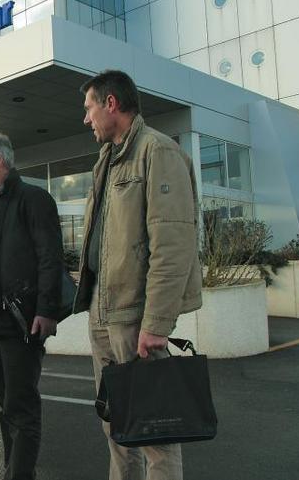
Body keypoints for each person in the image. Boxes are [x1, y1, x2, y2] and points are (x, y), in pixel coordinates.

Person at [74, 70, 202, 480]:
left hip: (135, 315)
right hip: (102, 309)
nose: (86, 118)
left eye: (89, 107)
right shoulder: (107, 160)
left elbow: (173, 243)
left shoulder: (157, 152)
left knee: (154, 430)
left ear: (111, 103)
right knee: (115, 423)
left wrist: (157, 324)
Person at [0, 132, 65, 480]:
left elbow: (50, 258)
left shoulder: (33, 199)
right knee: (6, 405)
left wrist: (47, 310)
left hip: (22, 322)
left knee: (21, 408)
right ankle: (16, 470)